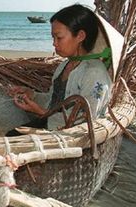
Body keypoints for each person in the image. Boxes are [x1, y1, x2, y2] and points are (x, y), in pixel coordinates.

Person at [6, 4, 113, 136]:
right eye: (53, 37)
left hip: (72, 136)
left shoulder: (95, 72)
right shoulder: (63, 66)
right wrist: (32, 94)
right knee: (11, 135)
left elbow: (87, 118)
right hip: (52, 125)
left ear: (80, 36)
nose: (54, 43)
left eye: (59, 37)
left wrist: (41, 112)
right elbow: (53, 100)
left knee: (13, 138)